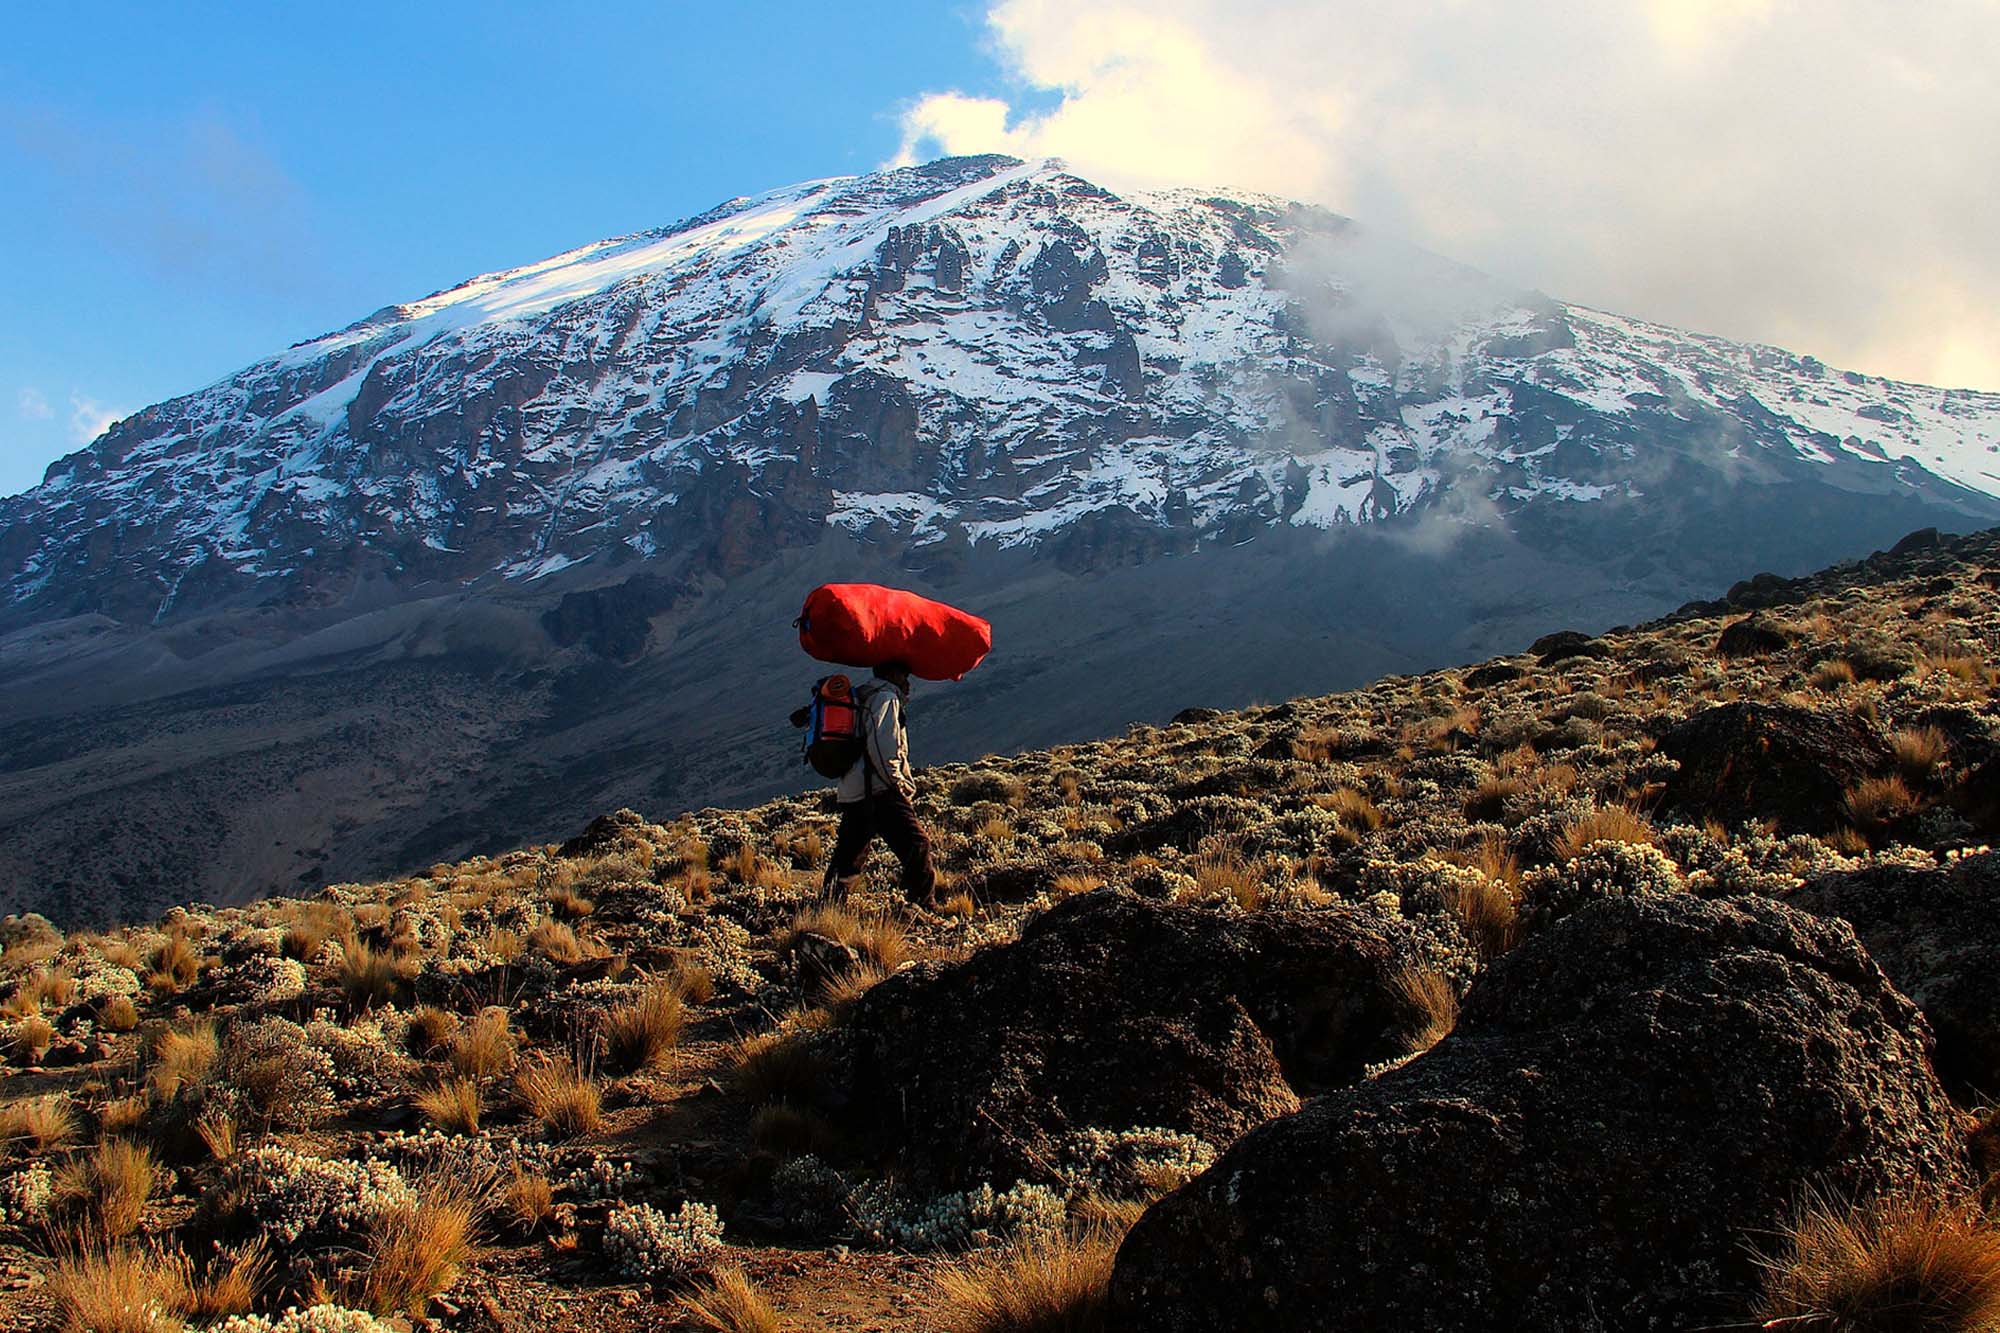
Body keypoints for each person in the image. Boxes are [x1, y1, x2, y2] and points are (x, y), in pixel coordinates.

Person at [823, 660, 938, 907]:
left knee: (849, 855)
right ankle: (924, 906)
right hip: (878, 789)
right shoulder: (885, 698)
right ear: (893, 674)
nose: (908, 683)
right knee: (917, 845)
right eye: (905, 676)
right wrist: (898, 784)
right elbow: (881, 746)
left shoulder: (863, 695)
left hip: (855, 789)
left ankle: (828, 907)